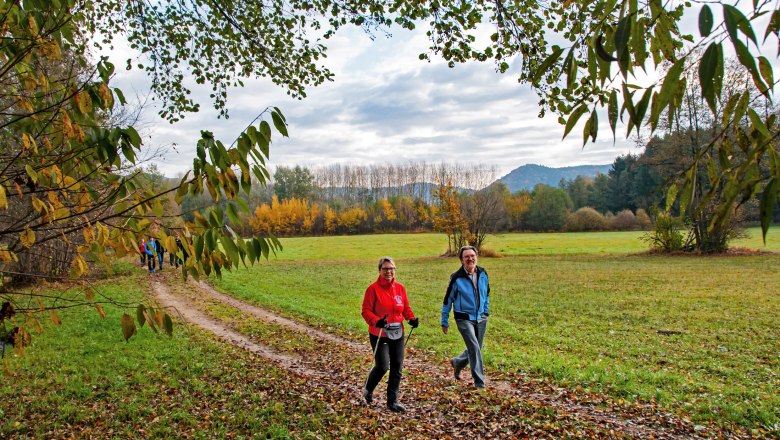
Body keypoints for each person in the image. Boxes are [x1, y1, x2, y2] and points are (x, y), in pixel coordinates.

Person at [361, 256, 418, 412]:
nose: (389, 272)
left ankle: (392, 402)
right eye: (385, 269)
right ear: (380, 270)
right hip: (379, 332)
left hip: (397, 332)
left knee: (397, 367)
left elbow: (405, 308)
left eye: (392, 268)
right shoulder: (372, 289)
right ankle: (368, 390)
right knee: (382, 366)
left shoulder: (400, 288)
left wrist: (411, 319)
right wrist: (376, 320)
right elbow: (365, 311)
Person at [441, 245, 490, 389]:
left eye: (472, 256)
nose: (470, 259)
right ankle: (479, 383)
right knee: (474, 348)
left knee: (476, 348)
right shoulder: (456, 278)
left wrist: (485, 311)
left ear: (477, 257)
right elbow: (447, 299)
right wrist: (444, 320)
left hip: (481, 317)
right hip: (463, 318)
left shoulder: (483, 273)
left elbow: (486, 293)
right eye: (466, 257)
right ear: (461, 260)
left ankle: (458, 362)